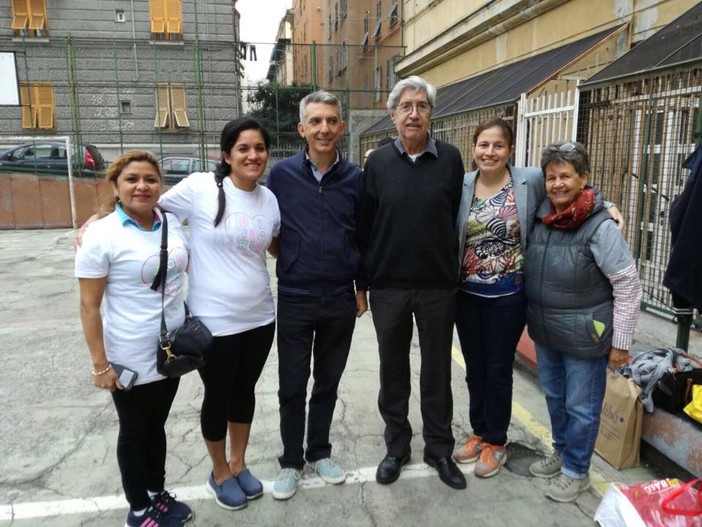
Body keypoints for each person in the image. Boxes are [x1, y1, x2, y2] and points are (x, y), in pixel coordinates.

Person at [158, 118, 280, 511]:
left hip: (261, 318)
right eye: (243, 148)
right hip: (214, 322)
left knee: (244, 393)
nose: (252, 155)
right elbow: (151, 208)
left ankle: (239, 464)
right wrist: (99, 220)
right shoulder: (200, 188)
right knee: (219, 395)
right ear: (226, 155)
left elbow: (274, 247)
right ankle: (220, 472)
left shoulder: (269, 199)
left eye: (259, 148)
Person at [359, 76, 466, 490]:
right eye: (406, 106)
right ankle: (397, 447)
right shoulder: (378, 164)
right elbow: (365, 225)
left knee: (437, 371)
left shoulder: (452, 160)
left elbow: (467, 208)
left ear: (431, 114)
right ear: (392, 114)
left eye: (422, 106)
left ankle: (439, 448)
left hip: (439, 285)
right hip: (389, 286)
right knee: (393, 370)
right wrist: (363, 284)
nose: (414, 113)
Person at [76, 150, 192, 527]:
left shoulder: (171, 222)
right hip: (129, 355)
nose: (142, 186)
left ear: (161, 186)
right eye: (132, 179)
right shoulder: (101, 234)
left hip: (172, 350)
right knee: (134, 431)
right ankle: (139, 509)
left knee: (156, 426)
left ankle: (157, 493)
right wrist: (100, 364)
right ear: (115, 186)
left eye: (150, 179)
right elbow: (89, 306)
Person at [524, 141, 641, 502]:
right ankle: (562, 451)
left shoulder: (600, 224)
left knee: (582, 405)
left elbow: (628, 285)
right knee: (556, 398)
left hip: (587, 334)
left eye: (566, 176)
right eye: (551, 177)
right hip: (547, 330)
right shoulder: (541, 213)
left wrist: (620, 344)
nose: (558, 184)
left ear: (584, 178)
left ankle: (577, 471)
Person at [265, 91, 368, 500]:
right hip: (295, 295)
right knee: (292, 383)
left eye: (331, 120)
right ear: (302, 128)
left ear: (341, 127)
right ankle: (291, 460)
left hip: (340, 298)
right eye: (316, 121)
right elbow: (270, 231)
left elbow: (363, 236)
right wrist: (292, 259)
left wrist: (361, 286)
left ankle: (319, 451)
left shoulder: (357, 178)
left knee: (328, 381)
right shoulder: (281, 175)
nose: (324, 128)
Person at [452, 119, 544, 478]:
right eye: (483, 145)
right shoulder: (461, 184)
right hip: (466, 294)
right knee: (474, 369)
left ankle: (497, 441)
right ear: (473, 148)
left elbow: (572, 185)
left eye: (498, 146)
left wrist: (606, 206)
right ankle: (479, 431)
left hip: (509, 295)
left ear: (509, 150)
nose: (489, 152)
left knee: (497, 368)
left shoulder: (529, 180)